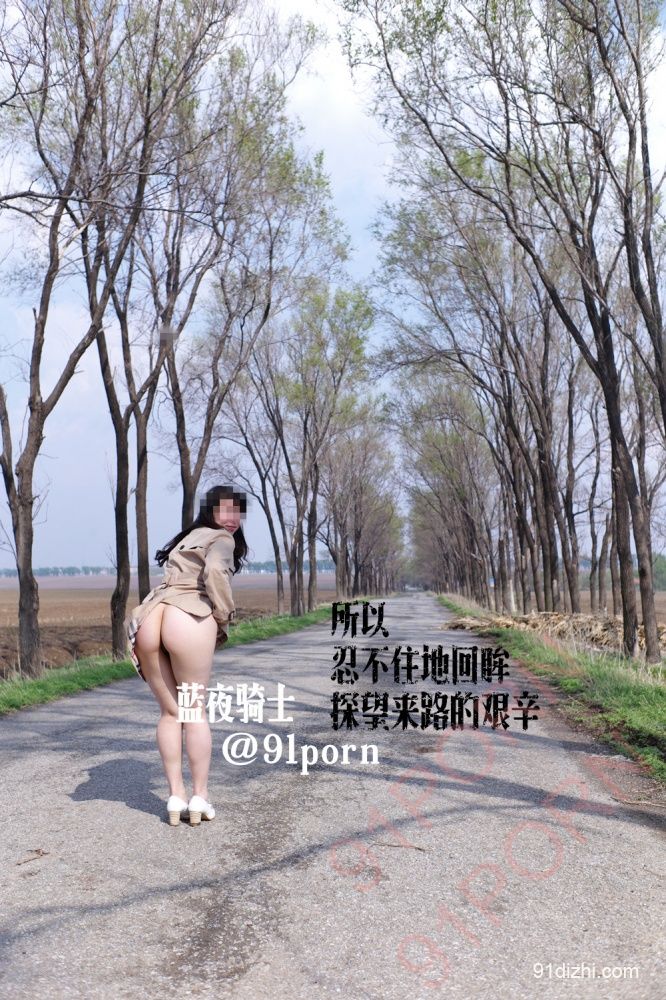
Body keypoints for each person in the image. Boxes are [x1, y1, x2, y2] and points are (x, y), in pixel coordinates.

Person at [124, 485, 248, 827]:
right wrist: (223, 615)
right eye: (224, 510)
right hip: (188, 615)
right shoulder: (222, 539)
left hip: (151, 616)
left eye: (237, 511)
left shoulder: (188, 537)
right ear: (210, 511)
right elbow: (215, 573)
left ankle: (175, 795)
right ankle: (199, 796)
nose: (232, 518)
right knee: (194, 711)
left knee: (170, 713)